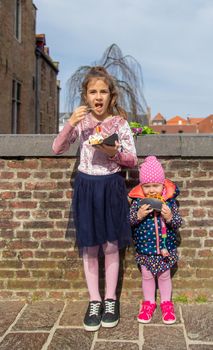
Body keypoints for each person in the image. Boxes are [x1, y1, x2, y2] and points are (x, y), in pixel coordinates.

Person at [52, 66, 137, 331]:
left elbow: (132, 160)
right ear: (86, 96)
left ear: (111, 96)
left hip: (111, 185)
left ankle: (111, 299)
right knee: (89, 246)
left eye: (102, 91)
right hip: (86, 186)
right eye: (92, 91)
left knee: (111, 245)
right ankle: (94, 300)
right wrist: (70, 123)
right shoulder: (82, 123)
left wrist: (111, 151)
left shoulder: (120, 124)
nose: (97, 96)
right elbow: (57, 149)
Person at [128, 156, 182, 325]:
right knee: (147, 276)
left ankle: (167, 304)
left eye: (155, 186)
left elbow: (179, 223)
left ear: (163, 184)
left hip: (166, 248)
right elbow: (129, 221)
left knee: (165, 276)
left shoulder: (170, 201)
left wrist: (170, 216)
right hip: (145, 248)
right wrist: (138, 215)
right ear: (141, 187)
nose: (151, 190)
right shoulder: (138, 203)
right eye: (147, 186)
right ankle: (148, 303)